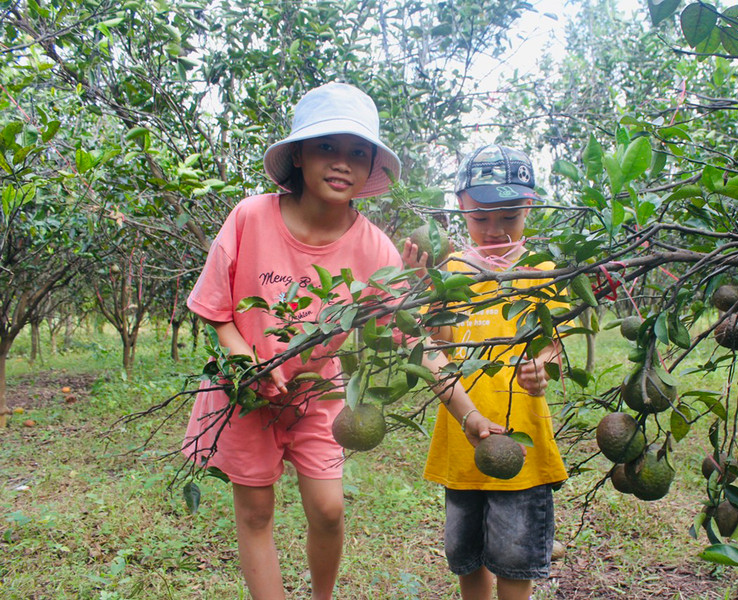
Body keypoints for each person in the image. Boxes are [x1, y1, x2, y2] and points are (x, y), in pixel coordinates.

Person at [182, 83, 502, 600]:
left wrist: (470, 416)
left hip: (320, 398)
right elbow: (218, 313)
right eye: (327, 146)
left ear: (371, 165)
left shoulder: (373, 246)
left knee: (329, 510)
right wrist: (249, 365)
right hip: (244, 394)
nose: (342, 163)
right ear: (301, 155)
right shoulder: (250, 217)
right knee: (256, 511)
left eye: (358, 152)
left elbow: (413, 342)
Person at [402, 145, 569, 600]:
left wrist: (543, 366)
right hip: (461, 441)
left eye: (508, 216)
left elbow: (556, 345)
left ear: (529, 207)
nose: (494, 230)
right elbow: (434, 347)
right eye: (480, 219)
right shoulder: (451, 272)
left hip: (522, 448)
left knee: (517, 558)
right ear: (462, 209)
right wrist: (420, 289)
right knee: (466, 554)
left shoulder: (544, 271)